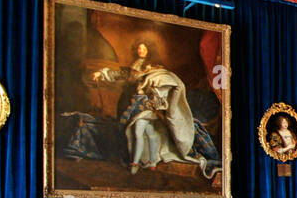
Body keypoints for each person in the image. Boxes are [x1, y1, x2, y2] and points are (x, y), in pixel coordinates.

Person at [92, 41, 218, 176]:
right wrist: (101, 73)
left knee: (139, 132)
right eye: (139, 48)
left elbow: (164, 84)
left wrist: (154, 101)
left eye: (144, 48)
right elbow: (121, 74)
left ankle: (137, 163)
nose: (141, 50)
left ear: (149, 50)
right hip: (129, 100)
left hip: (145, 106)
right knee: (146, 132)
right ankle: (146, 161)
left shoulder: (154, 68)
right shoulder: (134, 65)